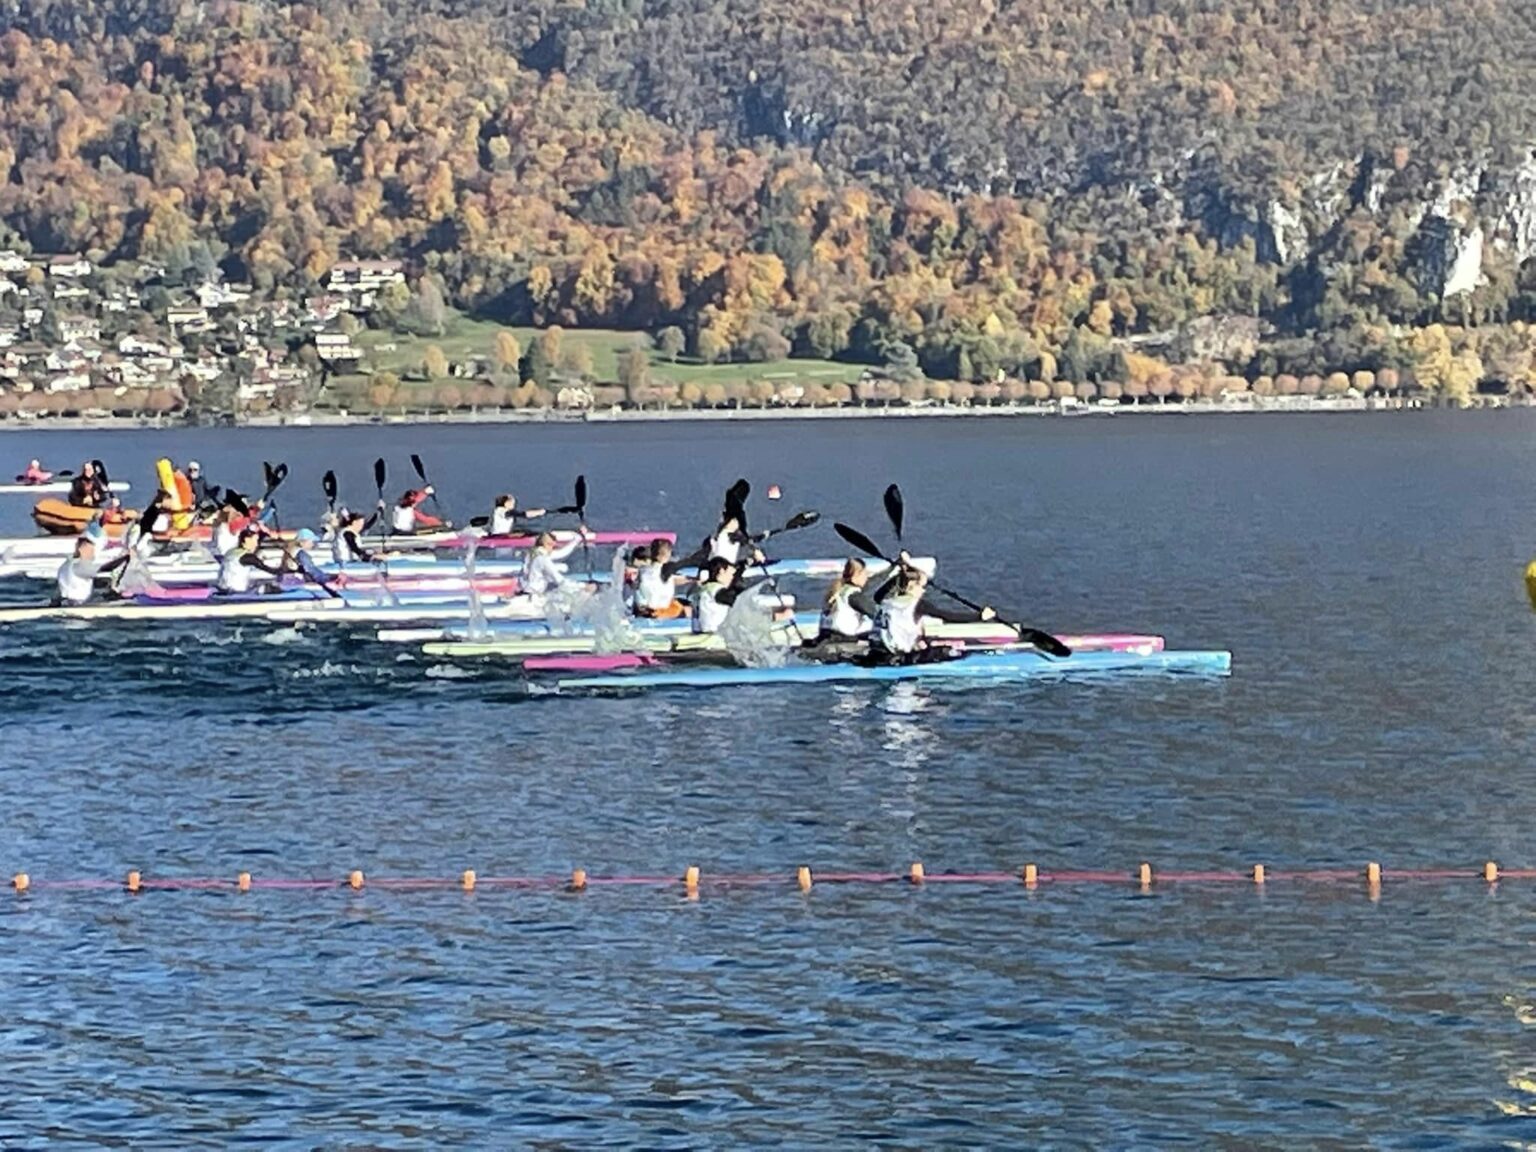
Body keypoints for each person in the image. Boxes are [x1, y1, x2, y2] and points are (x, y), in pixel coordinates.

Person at [868, 553, 996, 662]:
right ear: (911, 586)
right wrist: (979, 617)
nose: (923, 591)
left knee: (926, 644)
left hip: (881, 654)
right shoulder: (917, 605)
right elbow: (948, 617)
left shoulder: (885, 600)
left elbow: (887, 587)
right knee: (952, 652)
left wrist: (902, 566)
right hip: (903, 658)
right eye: (922, 587)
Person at [691, 557, 789, 635]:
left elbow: (736, 576)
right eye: (731, 574)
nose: (732, 577)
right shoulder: (717, 592)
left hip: (703, 632)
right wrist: (775, 617)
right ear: (721, 571)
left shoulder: (704, 588)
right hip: (716, 635)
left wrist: (749, 561)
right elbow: (742, 607)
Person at [634, 537, 705, 619]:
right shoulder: (667, 568)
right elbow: (688, 562)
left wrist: (693, 579)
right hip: (658, 611)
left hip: (643, 609)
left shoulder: (644, 569)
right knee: (692, 610)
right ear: (666, 555)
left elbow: (671, 580)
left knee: (680, 601)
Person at [54, 532, 128, 605]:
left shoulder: (65, 565)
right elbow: (104, 569)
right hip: (80, 604)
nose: (93, 554)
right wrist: (124, 558)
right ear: (81, 549)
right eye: (90, 551)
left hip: (65, 603)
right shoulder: (81, 566)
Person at [216, 528, 286, 595]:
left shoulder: (231, 552)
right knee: (270, 587)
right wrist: (286, 570)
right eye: (255, 540)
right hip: (237, 593)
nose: (256, 544)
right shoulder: (248, 557)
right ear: (247, 540)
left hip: (222, 590)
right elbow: (271, 571)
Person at [818, 558, 875, 639]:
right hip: (843, 639)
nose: (866, 578)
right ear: (857, 574)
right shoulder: (853, 595)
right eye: (865, 574)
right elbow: (874, 612)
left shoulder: (836, 591)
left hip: (826, 635)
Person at [521, 531, 570, 602]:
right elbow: (559, 579)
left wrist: (577, 539)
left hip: (526, 594)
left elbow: (562, 553)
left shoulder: (531, 554)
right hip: (535, 599)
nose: (552, 548)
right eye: (550, 545)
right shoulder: (542, 559)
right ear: (543, 544)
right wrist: (582, 586)